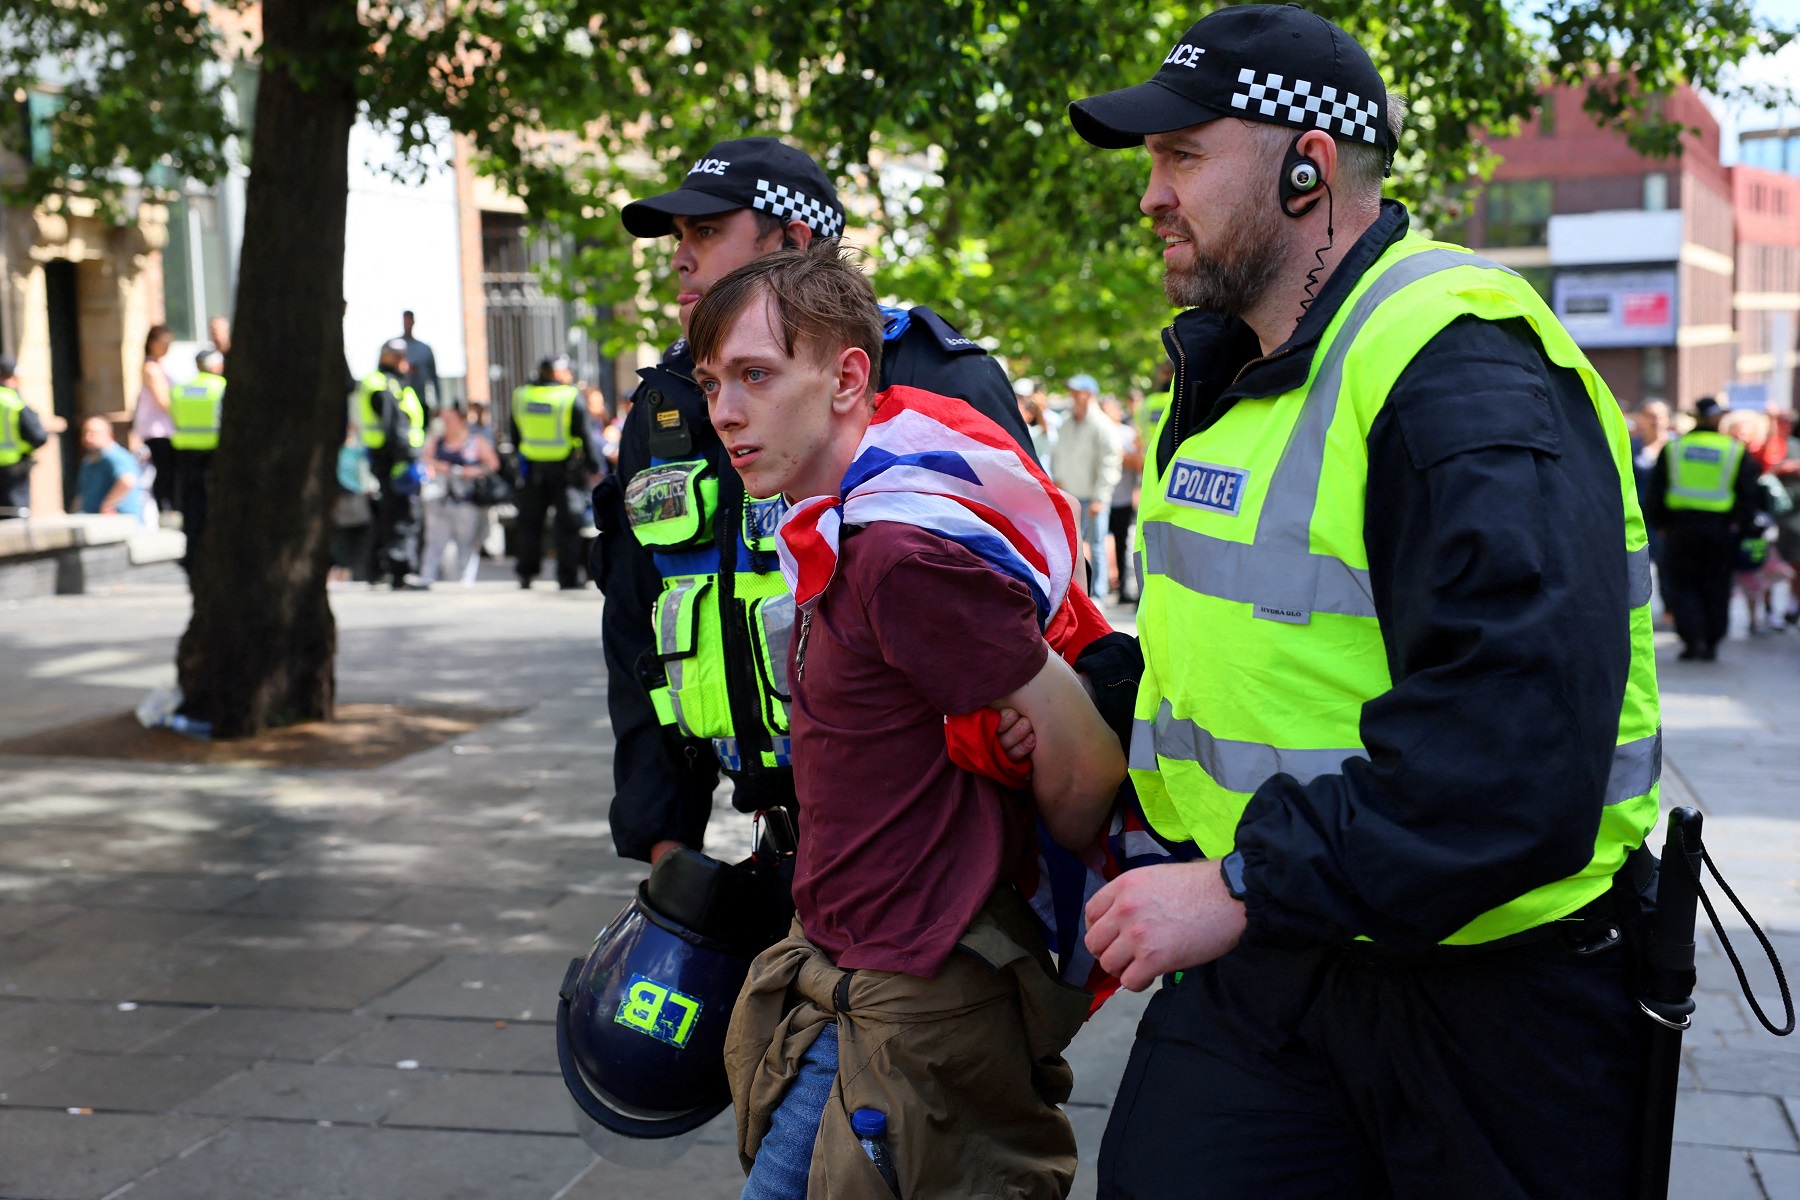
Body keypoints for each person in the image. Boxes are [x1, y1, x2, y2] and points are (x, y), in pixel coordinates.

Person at [1067, 6, 1662, 1197]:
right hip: (1278, 962)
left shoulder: (1461, 365)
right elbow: (1255, 652)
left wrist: (1238, 886)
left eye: (1182, 155)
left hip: (1487, 1005)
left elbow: (1517, 747)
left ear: (1308, 166)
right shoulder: (1237, 366)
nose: (1150, 195)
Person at [690, 248, 1123, 1199]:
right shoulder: (840, 522)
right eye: (715, 381)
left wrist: (1011, 876)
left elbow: (1085, 756)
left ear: (849, 377)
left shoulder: (898, 553)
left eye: (756, 376)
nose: (724, 411)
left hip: (910, 1005)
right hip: (846, 983)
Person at [595, 135, 1038, 866]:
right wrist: (664, 834)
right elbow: (637, 626)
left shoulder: (930, 370)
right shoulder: (668, 403)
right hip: (775, 837)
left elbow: (1036, 596)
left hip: (938, 828)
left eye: (706, 231)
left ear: (795, 241)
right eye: (677, 237)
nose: (679, 257)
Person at [1646, 396, 1763, 660]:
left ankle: (1691, 640)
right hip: (1720, 529)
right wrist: (1741, 527)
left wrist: (1661, 524)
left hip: (1680, 528)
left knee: (1682, 584)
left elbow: (1657, 491)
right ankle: (1711, 642)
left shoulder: (1675, 448)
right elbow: (1748, 495)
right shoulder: (1733, 450)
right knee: (1716, 585)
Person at [512, 354, 601, 590]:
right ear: (556, 373)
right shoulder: (569, 396)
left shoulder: (522, 395)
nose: (570, 375)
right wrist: (594, 466)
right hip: (565, 472)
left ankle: (526, 573)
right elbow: (585, 433)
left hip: (532, 470)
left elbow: (514, 435)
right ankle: (567, 576)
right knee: (568, 526)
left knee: (530, 525)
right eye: (567, 371)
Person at [353, 339, 428, 589]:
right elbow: (394, 427)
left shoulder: (390, 384)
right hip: (394, 460)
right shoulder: (384, 386)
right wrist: (406, 459)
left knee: (385, 514)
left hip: (385, 459)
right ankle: (401, 570)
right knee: (404, 515)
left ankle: (378, 569)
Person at [1047, 373, 1121, 595]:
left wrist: (1100, 498)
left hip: (1092, 496)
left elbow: (1110, 463)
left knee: (1096, 545)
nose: (1072, 395)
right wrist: (1058, 481)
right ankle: (1078, 594)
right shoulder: (1068, 423)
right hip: (1071, 495)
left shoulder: (1102, 425)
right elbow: (1057, 455)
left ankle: (1097, 594)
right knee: (1071, 547)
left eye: (1077, 391)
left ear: (1089, 394)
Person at [421, 405, 500, 585]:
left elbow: (493, 464)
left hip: (466, 500)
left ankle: (465, 580)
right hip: (439, 499)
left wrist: (471, 471)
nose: (446, 423)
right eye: (444, 419)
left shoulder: (475, 441)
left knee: (466, 542)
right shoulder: (437, 441)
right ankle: (427, 577)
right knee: (434, 541)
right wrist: (440, 467)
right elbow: (424, 459)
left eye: (450, 419)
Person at [169, 349, 226, 574]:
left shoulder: (180, 389)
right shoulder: (220, 387)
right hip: (213, 454)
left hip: (185, 455)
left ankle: (192, 554)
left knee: (191, 509)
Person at [0, 357, 65, 518]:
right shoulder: (13, 401)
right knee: (14, 516)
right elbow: (38, 436)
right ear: (12, 377)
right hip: (12, 468)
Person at [133, 325, 178, 517]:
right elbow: (163, 400)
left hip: (162, 427)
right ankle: (164, 508)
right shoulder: (151, 368)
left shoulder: (158, 365)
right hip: (157, 429)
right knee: (164, 470)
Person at [1106, 394, 1143, 603]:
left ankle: (1124, 589)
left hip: (1123, 497)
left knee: (1123, 543)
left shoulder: (1128, 433)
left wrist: (1119, 456)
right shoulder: (1101, 431)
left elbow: (1137, 463)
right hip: (1102, 497)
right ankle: (1107, 586)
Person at [75, 416, 144, 519]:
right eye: (85, 433)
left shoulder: (116, 456)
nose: (88, 438)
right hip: (90, 520)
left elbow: (127, 481)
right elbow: (81, 496)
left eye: (94, 433)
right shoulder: (88, 461)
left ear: (109, 435)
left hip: (117, 521)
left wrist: (107, 505)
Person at [384, 310, 441, 414]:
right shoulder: (393, 346)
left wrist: (438, 403)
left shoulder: (424, 349)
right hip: (398, 399)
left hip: (420, 399)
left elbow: (434, 377)